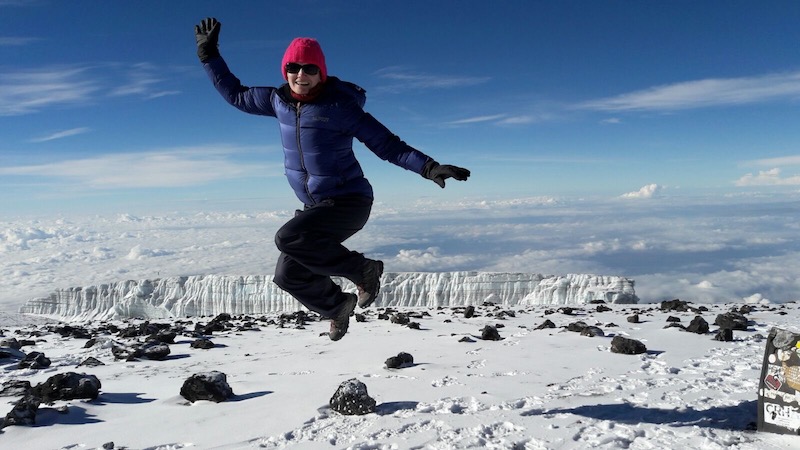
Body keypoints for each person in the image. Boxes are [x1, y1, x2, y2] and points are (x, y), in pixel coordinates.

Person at [194, 18, 470, 341]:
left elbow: (386, 144)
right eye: (294, 67)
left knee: (287, 237)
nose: (301, 75)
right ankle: (337, 305)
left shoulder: (340, 106)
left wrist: (428, 167)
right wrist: (209, 56)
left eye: (310, 68)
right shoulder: (277, 101)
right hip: (317, 206)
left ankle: (364, 271)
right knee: (287, 275)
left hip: (349, 201)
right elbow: (236, 94)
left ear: (321, 73)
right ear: (285, 70)